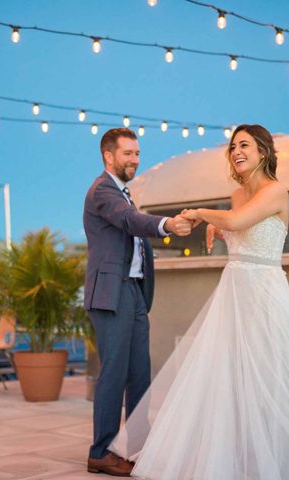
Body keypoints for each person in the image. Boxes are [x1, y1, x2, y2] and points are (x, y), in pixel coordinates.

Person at [109, 124, 289, 480]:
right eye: (233, 146)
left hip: (263, 294)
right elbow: (237, 224)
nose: (236, 151)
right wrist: (221, 229)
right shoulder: (239, 193)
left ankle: (271, 462)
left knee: (266, 376)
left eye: (244, 145)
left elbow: (238, 220)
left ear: (263, 151)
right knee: (226, 375)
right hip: (233, 292)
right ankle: (235, 460)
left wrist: (203, 215)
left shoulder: (276, 191)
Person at [84, 128, 193, 476]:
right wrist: (168, 224)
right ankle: (100, 452)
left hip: (132, 293)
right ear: (108, 156)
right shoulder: (103, 190)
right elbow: (131, 222)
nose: (135, 159)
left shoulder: (123, 191)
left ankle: (138, 448)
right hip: (110, 296)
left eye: (137, 153)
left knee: (139, 375)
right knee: (113, 374)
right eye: (128, 153)